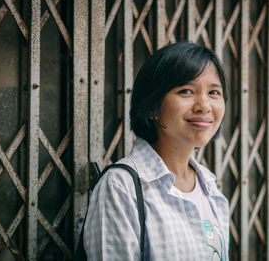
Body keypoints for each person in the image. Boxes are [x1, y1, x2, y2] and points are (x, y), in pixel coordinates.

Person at [83, 42, 229, 260]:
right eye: (187, 91)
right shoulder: (121, 187)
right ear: (152, 107)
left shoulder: (209, 185)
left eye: (214, 92)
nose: (205, 105)